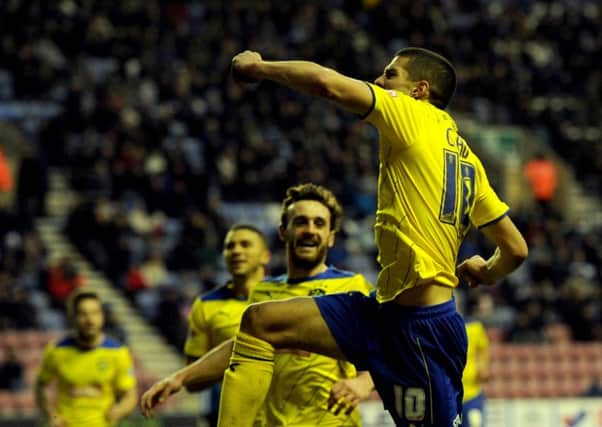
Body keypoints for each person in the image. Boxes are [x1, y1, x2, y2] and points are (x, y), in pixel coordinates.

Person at [208, 46, 529, 427]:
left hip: (422, 334)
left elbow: (327, 83)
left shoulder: (410, 113)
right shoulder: (468, 162)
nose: (379, 81)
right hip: (381, 314)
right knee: (260, 323)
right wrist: (487, 271)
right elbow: (515, 249)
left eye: (390, 75)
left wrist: (260, 67)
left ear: (420, 90)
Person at [141, 183, 375, 426]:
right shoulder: (264, 292)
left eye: (319, 223)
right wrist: (180, 378)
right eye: (301, 222)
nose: (310, 230)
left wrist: (364, 382)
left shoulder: (352, 286)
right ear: (284, 231)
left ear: (331, 237)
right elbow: (240, 348)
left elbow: (394, 342)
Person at [185, 224, 271, 426]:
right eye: (230, 246)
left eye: (245, 244)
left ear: (265, 256)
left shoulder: (288, 300)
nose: (237, 251)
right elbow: (191, 380)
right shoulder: (206, 305)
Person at [34, 289, 138, 427]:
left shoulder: (118, 351)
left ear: (102, 316)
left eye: (95, 313)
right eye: (83, 314)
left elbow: (130, 395)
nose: (90, 320)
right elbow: (40, 385)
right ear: (73, 317)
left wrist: (118, 410)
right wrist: (52, 415)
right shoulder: (56, 350)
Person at [461, 319, 490, 427]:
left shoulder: (475, 327)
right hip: (449, 396)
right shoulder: (440, 327)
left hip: (472, 393)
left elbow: (483, 349)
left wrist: (483, 367)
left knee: (475, 422)